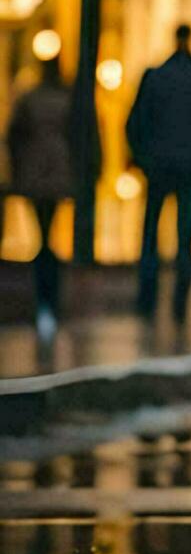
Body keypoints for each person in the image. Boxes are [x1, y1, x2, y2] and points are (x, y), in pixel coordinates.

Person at [125, 24, 191, 323]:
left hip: (160, 167)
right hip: (187, 168)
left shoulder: (155, 78)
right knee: (183, 237)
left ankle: (148, 296)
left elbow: (134, 123)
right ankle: (179, 298)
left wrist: (144, 159)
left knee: (152, 234)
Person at [6, 56, 73, 342]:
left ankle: (44, 290)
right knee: (48, 233)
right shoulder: (67, 99)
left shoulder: (31, 99)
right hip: (57, 171)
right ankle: (48, 292)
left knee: (43, 233)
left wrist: (19, 166)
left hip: (37, 172)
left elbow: (13, 136)